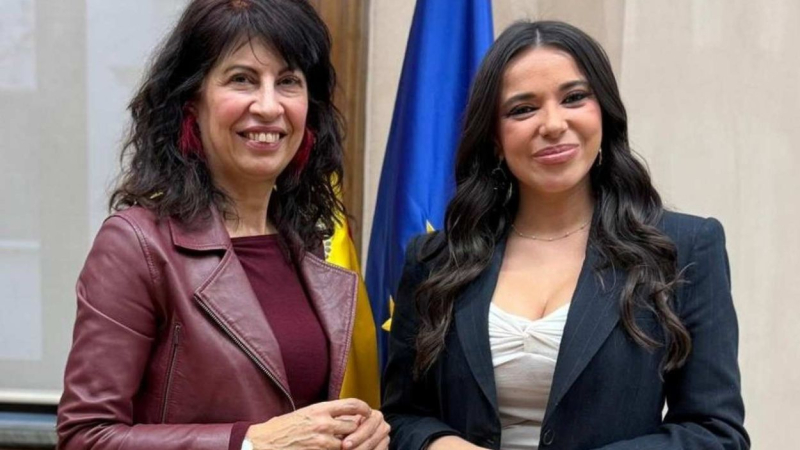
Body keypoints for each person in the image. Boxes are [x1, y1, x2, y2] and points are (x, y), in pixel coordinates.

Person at [382, 20, 749, 450]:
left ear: (604, 112)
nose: (553, 124)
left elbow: (715, 432)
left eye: (574, 98)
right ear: (495, 138)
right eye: (523, 109)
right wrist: (441, 444)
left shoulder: (684, 247)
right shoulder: (435, 259)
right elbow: (401, 416)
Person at [56, 1, 389, 449]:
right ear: (191, 102)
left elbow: (306, 419)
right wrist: (248, 444)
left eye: (288, 81)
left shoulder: (314, 242)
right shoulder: (136, 245)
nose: (269, 106)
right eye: (242, 79)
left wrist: (360, 430)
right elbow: (85, 436)